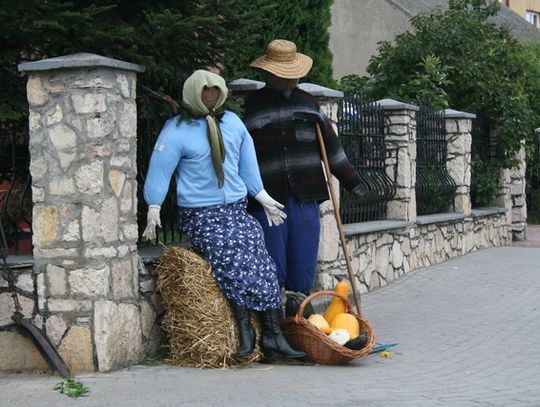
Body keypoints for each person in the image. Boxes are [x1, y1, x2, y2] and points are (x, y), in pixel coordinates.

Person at [142, 70, 305, 360]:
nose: (210, 99)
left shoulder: (232, 123)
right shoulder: (177, 130)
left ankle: (272, 335)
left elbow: (247, 163)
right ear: (192, 94)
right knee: (229, 251)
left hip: (235, 209)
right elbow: (160, 169)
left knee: (257, 248)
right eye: (204, 94)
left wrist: (263, 196)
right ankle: (246, 331)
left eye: (214, 93)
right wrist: (154, 205)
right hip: (201, 212)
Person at [244, 39, 366, 295]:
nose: (291, 79)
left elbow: (332, 148)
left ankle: (300, 317)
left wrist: (353, 181)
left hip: (305, 197)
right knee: (271, 261)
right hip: (267, 200)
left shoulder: (308, 103)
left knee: (303, 261)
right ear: (268, 73)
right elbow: (239, 154)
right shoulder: (251, 106)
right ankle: (274, 320)